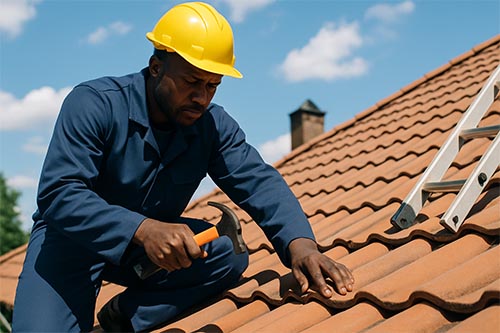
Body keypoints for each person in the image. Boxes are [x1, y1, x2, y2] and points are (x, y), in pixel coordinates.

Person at [12, 2, 354, 332]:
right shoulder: (94, 103)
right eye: (192, 82)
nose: (202, 98)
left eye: (212, 86)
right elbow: (59, 195)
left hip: (146, 252)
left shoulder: (213, 126)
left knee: (226, 255)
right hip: (70, 244)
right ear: (157, 67)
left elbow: (260, 183)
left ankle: (125, 318)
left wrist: (302, 246)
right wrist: (143, 229)